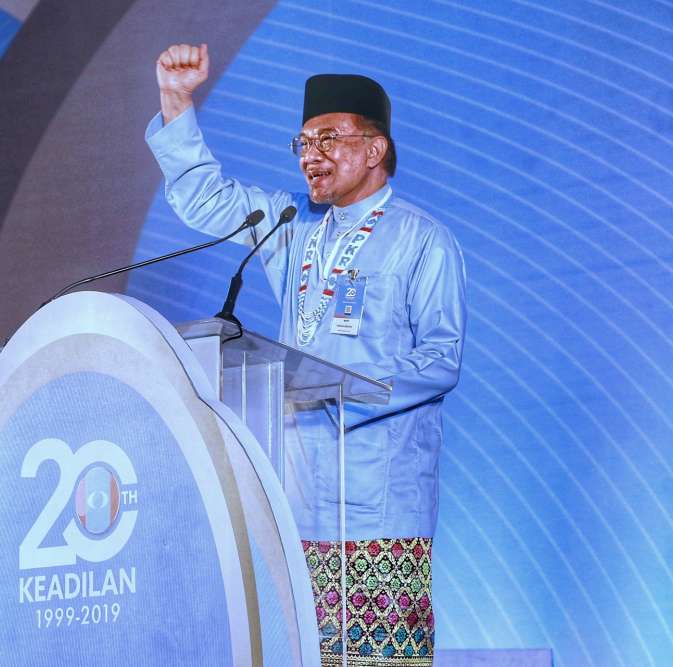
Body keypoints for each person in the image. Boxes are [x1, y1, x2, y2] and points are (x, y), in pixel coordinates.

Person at [147, 43, 466, 666]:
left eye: (328, 140)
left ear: (374, 149)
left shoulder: (423, 240)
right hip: (296, 499)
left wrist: (348, 388)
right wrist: (175, 100)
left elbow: (440, 358)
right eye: (303, 142)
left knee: (379, 660)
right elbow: (203, 198)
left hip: (380, 499)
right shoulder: (290, 226)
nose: (310, 156)